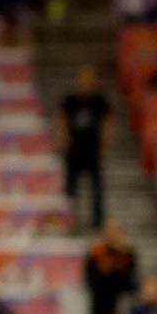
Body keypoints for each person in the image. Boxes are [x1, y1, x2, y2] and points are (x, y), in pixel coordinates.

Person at [58, 63, 111, 230]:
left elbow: (109, 121)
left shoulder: (99, 100)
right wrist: (65, 139)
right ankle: (69, 219)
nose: (86, 81)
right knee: (69, 188)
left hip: (92, 150)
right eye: (84, 78)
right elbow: (62, 119)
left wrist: (104, 142)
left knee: (97, 187)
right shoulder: (71, 100)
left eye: (90, 78)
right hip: (74, 150)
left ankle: (97, 220)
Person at [85, 221, 141, 314]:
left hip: (119, 293)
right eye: (110, 230)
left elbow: (132, 275)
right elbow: (89, 274)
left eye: (115, 231)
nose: (112, 234)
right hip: (100, 294)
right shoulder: (97, 250)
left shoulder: (127, 252)